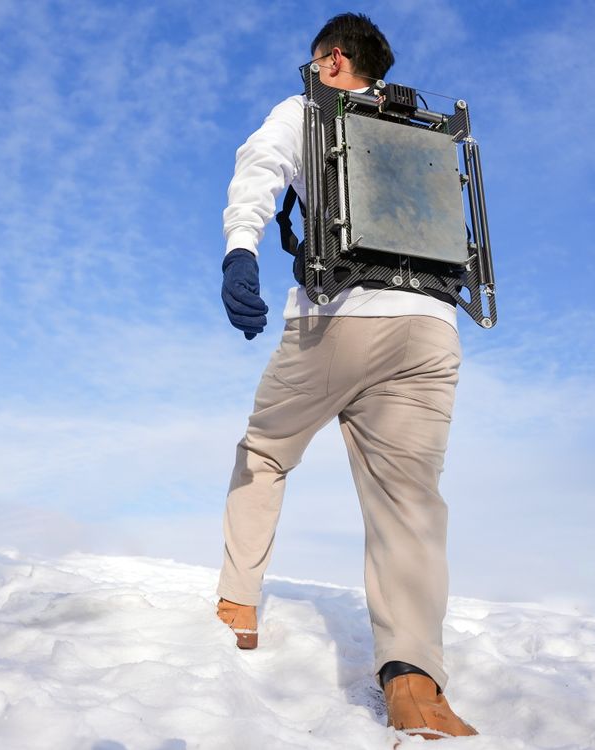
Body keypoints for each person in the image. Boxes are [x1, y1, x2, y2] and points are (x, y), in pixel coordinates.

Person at [213, 12, 478, 740]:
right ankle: (413, 683)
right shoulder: (422, 130)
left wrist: (243, 252)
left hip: (343, 318)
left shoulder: (309, 111)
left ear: (332, 60)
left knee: (266, 451)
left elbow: (259, 169)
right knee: (409, 503)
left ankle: (236, 611)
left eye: (312, 59)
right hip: (432, 329)